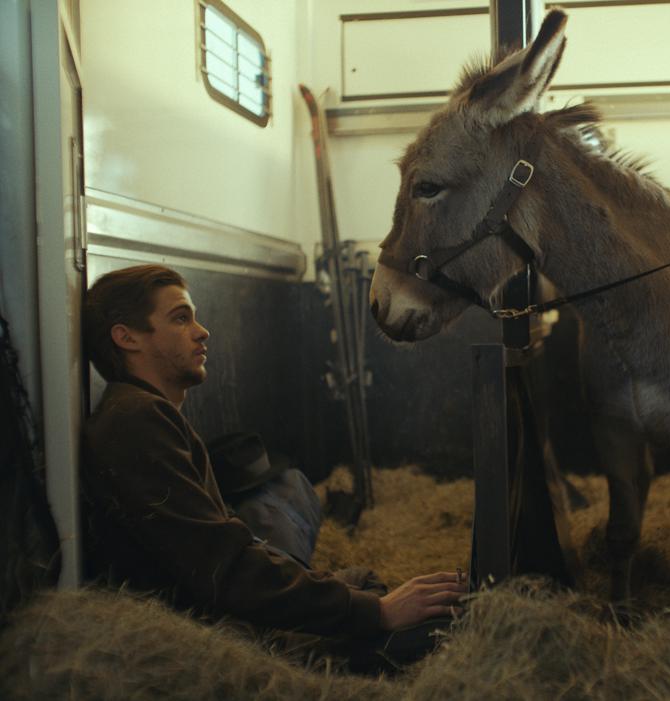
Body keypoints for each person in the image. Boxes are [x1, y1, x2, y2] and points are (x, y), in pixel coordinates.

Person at [80, 264, 464, 672]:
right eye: (180, 318)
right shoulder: (135, 421)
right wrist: (378, 613)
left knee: (365, 582)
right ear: (126, 337)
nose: (202, 330)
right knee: (428, 626)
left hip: (227, 617)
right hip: (214, 644)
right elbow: (225, 568)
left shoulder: (145, 412)